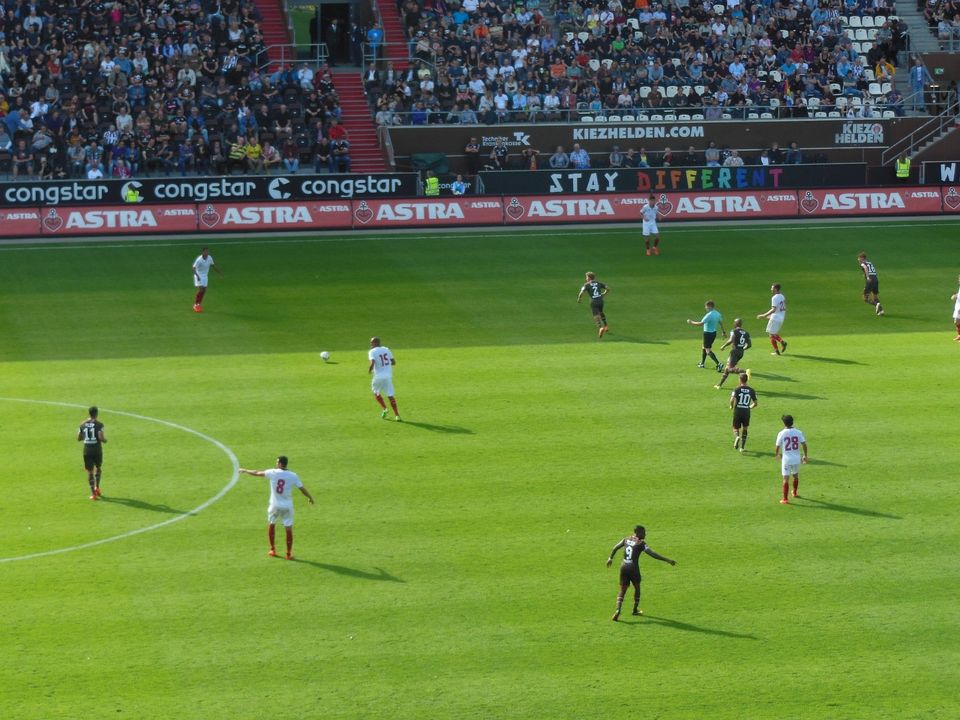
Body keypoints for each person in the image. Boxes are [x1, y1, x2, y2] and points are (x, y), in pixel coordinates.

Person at [239, 456, 315, 559]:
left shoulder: (273, 472)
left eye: (277, 462)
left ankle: (272, 549)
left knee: (272, 524)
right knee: (288, 528)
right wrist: (310, 497)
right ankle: (288, 554)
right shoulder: (293, 475)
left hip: (274, 505)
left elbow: (257, 473)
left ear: (280, 463)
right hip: (287, 506)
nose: (276, 463)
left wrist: (245, 470)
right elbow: (302, 489)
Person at [606, 525, 676, 621]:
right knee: (637, 588)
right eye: (643, 532)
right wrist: (667, 560)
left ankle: (618, 610)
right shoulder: (641, 543)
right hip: (633, 568)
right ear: (638, 532)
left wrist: (610, 558)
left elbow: (615, 548)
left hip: (623, 567)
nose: (645, 534)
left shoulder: (626, 539)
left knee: (622, 590)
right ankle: (635, 610)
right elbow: (653, 554)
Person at [775, 415, 808, 504]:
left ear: (784, 423)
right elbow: (804, 444)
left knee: (785, 478)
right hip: (796, 459)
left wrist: (777, 455)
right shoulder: (798, 432)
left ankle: (785, 499)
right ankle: (794, 492)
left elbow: (777, 446)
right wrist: (805, 456)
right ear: (792, 422)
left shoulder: (781, 433)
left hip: (786, 460)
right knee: (795, 476)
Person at [78, 406, 107, 500]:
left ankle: (93, 494)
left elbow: (79, 438)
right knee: (98, 468)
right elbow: (101, 437)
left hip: (87, 450)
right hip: (97, 449)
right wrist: (105, 440)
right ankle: (97, 487)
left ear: (89, 413)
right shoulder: (99, 425)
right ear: (96, 414)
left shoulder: (82, 425)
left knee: (90, 472)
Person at [686, 300, 725, 370]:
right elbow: (721, 322)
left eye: (706, 307)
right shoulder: (718, 314)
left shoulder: (709, 315)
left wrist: (691, 322)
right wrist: (723, 332)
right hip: (713, 333)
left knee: (708, 350)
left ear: (709, 306)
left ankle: (719, 364)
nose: (705, 308)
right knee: (704, 347)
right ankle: (702, 363)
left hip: (707, 334)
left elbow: (701, 323)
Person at [369, 336, 401, 421]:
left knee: (376, 392)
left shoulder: (372, 351)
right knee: (390, 395)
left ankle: (384, 408)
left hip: (378, 376)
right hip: (388, 376)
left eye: (371, 342)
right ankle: (397, 415)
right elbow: (394, 362)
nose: (370, 344)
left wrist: (370, 370)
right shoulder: (386, 349)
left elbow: (372, 362)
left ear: (375, 343)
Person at [715, 319, 752, 389]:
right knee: (727, 368)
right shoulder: (746, 333)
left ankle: (745, 371)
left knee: (730, 368)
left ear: (735, 324)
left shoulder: (734, 331)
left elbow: (731, 340)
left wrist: (724, 346)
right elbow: (749, 345)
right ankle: (719, 385)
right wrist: (742, 349)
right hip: (741, 353)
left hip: (734, 352)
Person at [730, 372, 757, 452]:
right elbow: (755, 403)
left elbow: (731, 400)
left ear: (740, 380)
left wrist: (731, 406)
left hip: (738, 410)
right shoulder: (751, 390)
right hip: (746, 412)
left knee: (735, 428)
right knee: (745, 428)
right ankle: (742, 447)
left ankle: (737, 436)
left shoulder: (736, 389)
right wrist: (749, 407)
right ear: (747, 379)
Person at [577, 271, 609, 339]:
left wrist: (579, 298)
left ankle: (600, 328)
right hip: (600, 301)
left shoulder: (586, 285)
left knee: (595, 316)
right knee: (601, 312)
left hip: (593, 301)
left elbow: (581, 292)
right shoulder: (598, 283)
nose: (586, 278)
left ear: (589, 278)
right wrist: (603, 294)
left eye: (586, 277)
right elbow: (608, 288)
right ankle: (606, 326)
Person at [757, 283, 787, 355]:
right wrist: (770, 316)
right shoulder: (782, 296)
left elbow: (773, 309)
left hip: (775, 318)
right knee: (774, 333)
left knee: (771, 334)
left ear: (776, 289)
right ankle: (781, 344)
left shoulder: (774, 298)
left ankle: (778, 348)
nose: (771, 289)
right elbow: (780, 309)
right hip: (781, 318)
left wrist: (764, 315)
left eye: (772, 288)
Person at [192, 247, 223, 312]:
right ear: (202, 252)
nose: (206, 253)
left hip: (205, 276)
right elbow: (193, 268)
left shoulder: (209, 258)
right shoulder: (199, 260)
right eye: (205, 252)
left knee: (204, 290)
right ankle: (195, 304)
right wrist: (197, 276)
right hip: (198, 275)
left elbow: (213, 266)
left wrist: (219, 272)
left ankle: (198, 304)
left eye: (207, 252)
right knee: (201, 289)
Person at [951, 275, 960, 342]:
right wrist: (956, 296)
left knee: (957, 321)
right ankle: (959, 335)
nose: (959, 280)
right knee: (956, 321)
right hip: (958, 306)